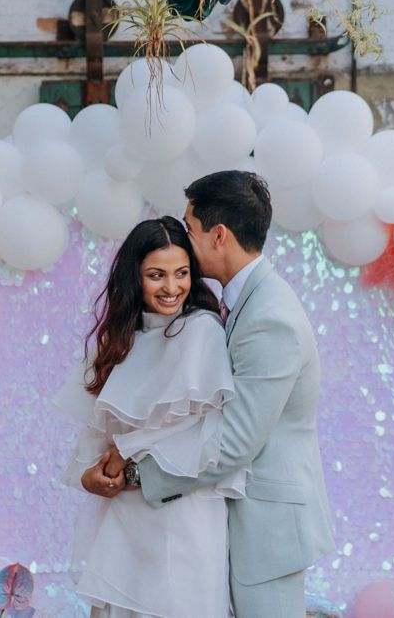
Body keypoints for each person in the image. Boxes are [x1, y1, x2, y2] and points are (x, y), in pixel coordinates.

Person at [85, 170, 335, 618]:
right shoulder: (245, 302)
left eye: (190, 226)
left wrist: (136, 475)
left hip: (267, 528)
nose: (183, 235)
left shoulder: (268, 316)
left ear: (219, 235)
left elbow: (236, 441)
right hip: (235, 517)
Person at [56, 216, 247, 618]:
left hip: (182, 509)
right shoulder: (120, 340)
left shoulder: (202, 331)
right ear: (134, 277)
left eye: (181, 273)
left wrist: (125, 452)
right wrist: (89, 475)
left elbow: (198, 426)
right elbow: (99, 427)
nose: (172, 287)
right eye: (156, 275)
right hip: (124, 512)